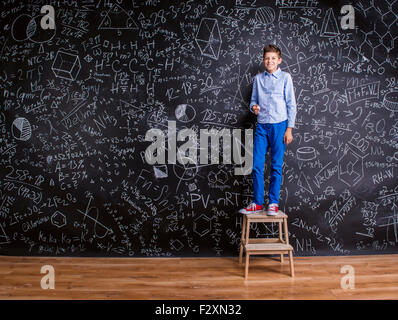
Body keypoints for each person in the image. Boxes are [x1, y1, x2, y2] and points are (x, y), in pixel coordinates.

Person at [239, 44, 297, 216]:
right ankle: (257, 202)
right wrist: (254, 108)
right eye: (267, 58)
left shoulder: (286, 78)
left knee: (276, 166)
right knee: (257, 165)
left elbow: (291, 105)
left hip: (280, 125)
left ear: (279, 60)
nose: (270, 61)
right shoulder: (258, 79)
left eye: (273, 58)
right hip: (262, 126)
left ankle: (273, 203)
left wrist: (289, 129)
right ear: (263, 60)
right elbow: (253, 102)